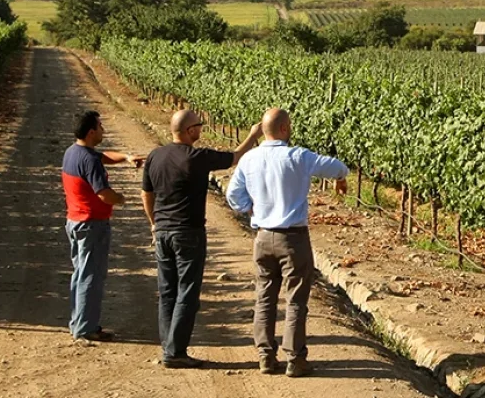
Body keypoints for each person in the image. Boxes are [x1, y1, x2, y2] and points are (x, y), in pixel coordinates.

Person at [226, 107, 349, 378]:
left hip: (263, 236)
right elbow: (337, 167)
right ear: (283, 128)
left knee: (265, 296)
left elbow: (233, 195)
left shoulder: (249, 159)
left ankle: (265, 357)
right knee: (295, 299)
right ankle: (295, 358)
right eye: (289, 125)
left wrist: (252, 211)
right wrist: (341, 177)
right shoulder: (299, 156)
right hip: (293, 239)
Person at [141, 109, 262, 369]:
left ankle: (169, 347)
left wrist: (154, 223)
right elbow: (236, 157)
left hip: (162, 232)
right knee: (187, 292)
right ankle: (175, 352)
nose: (201, 129)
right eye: (199, 125)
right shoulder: (196, 157)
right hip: (188, 233)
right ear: (189, 131)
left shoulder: (155, 156)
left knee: (167, 291)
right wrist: (254, 134)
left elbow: (146, 194)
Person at [61, 110, 143, 344]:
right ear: (91, 132)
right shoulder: (88, 160)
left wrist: (126, 157)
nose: (103, 130)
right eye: (100, 126)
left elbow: (102, 157)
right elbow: (104, 194)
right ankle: (86, 329)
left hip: (75, 222)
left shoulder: (73, 152)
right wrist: (121, 198)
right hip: (91, 224)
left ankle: (78, 322)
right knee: (92, 276)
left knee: (80, 273)